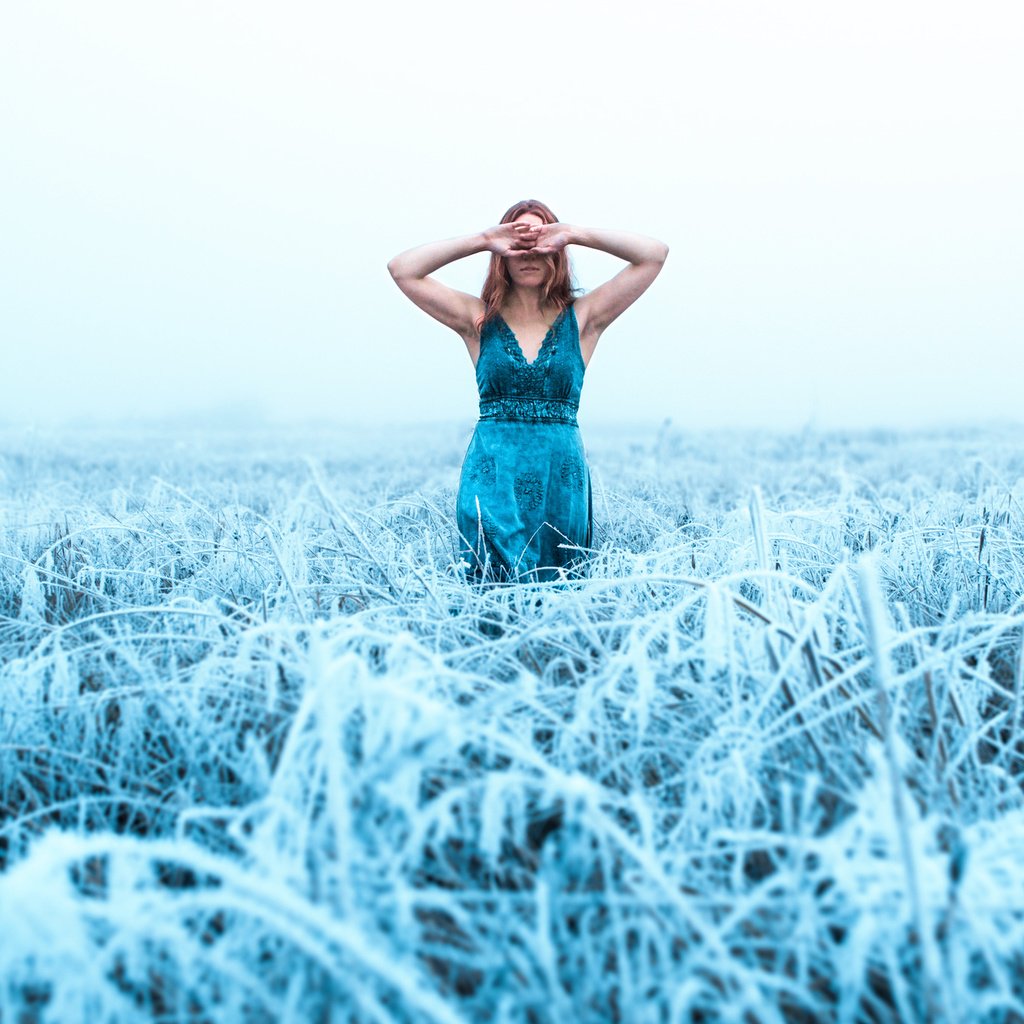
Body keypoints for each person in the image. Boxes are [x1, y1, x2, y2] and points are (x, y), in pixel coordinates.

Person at [387, 200, 668, 584]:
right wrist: (486, 239)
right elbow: (403, 270)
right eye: (519, 244)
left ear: (558, 253)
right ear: (502, 255)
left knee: (560, 591)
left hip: (561, 480)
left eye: (541, 243)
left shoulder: (583, 319)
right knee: (491, 588)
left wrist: (572, 233)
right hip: (493, 478)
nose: (530, 253)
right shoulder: (477, 319)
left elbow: (653, 256)